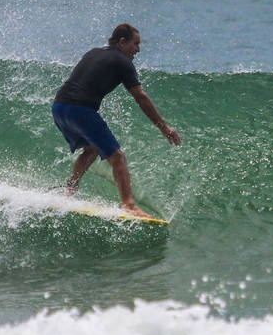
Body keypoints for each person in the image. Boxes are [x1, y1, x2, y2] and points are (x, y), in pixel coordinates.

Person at [52, 24, 181, 218]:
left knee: (92, 149)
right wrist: (164, 127)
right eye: (135, 44)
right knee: (118, 157)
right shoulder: (123, 62)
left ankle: (69, 190)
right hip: (80, 109)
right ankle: (129, 205)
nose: (138, 49)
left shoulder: (94, 52)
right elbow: (141, 97)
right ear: (122, 41)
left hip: (59, 107)